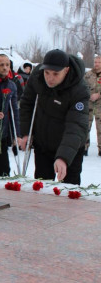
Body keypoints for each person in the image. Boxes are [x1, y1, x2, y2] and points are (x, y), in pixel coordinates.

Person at [19, 49, 89, 185]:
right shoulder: (38, 77)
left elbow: (76, 126)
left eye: (56, 74)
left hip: (71, 149)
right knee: (42, 188)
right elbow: (27, 103)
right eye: (47, 73)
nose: (50, 78)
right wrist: (27, 132)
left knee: (68, 190)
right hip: (43, 144)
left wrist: (63, 157)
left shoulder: (79, 90)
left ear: (66, 70)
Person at [84, 55, 101, 156]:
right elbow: (83, 87)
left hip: (100, 105)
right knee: (86, 126)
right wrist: (89, 95)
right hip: (89, 104)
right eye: (95, 62)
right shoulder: (88, 75)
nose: (97, 64)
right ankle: (84, 148)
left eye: (99, 62)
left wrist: (99, 95)